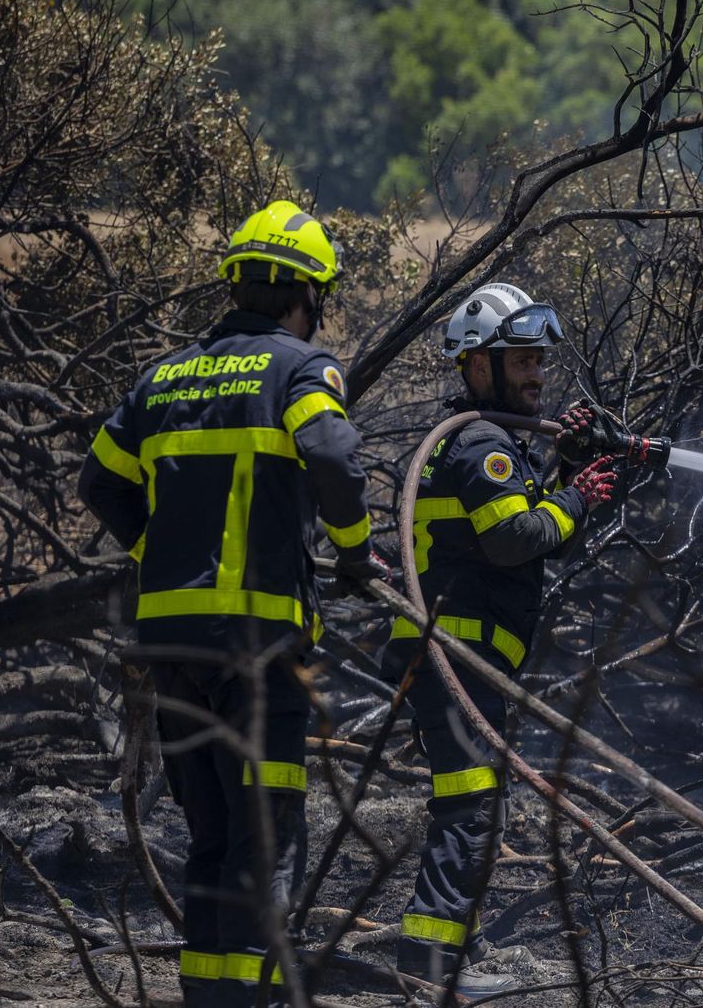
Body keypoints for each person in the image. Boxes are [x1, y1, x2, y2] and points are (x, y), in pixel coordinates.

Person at [79, 199, 389, 1007]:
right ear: (306, 292)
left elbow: (99, 480)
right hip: (255, 650)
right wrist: (356, 552)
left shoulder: (164, 376)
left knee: (212, 840)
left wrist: (154, 551)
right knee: (266, 840)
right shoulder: (300, 368)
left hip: (172, 650)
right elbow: (332, 458)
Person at [383, 283, 617, 995]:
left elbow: (528, 529)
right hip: (460, 656)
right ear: (478, 366)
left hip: (451, 655)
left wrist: (568, 473)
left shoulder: (470, 442)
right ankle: (431, 970)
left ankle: (453, 947)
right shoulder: (483, 446)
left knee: (474, 802)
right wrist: (578, 496)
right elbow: (516, 538)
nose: (536, 375)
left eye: (539, 361)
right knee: (472, 804)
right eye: (521, 361)